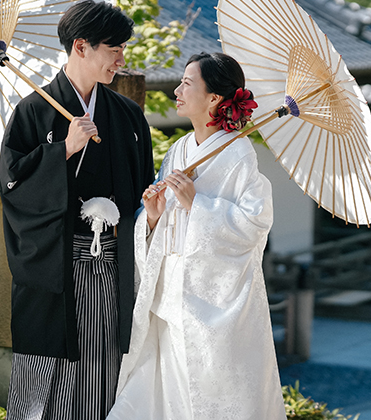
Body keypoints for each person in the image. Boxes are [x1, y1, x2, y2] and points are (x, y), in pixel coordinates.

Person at [0, 0, 155, 420]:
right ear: (81, 46)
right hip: (56, 265)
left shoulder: (126, 116)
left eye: (123, 48)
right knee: (44, 371)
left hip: (112, 265)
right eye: (114, 48)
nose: (122, 58)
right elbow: (13, 187)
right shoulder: (33, 111)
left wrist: (152, 215)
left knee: (103, 368)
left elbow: (142, 191)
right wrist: (63, 149)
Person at [108, 52, 285, 420]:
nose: (177, 90)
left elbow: (254, 225)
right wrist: (153, 217)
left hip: (211, 300)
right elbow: (161, 220)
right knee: (160, 392)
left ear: (215, 98)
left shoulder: (238, 154)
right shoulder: (179, 149)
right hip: (168, 291)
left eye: (187, 83)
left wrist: (197, 205)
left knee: (206, 396)